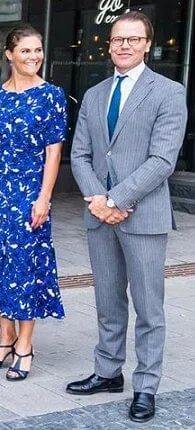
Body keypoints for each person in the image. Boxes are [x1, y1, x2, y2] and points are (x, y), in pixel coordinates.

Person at [68, 11, 187, 423]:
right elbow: (80, 155)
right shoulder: (95, 94)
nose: (123, 45)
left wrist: (117, 198)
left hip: (144, 216)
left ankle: (146, 386)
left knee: (149, 307)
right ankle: (107, 372)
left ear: (147, 44)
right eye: (118, 38)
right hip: (99, 215)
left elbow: (162, 160)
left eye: (133, 39)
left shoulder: (169, 92)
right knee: (107, 300)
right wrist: (98, 200)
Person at [0, 24, 67, 381]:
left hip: (30, 192)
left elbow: (54, 153)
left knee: (25, 268)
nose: (34, 57)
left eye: (38, 50)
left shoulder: (51, 95)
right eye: (25, 51)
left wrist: (44, 197)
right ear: (9, 55)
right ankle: (4, 338)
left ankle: (24, 346)